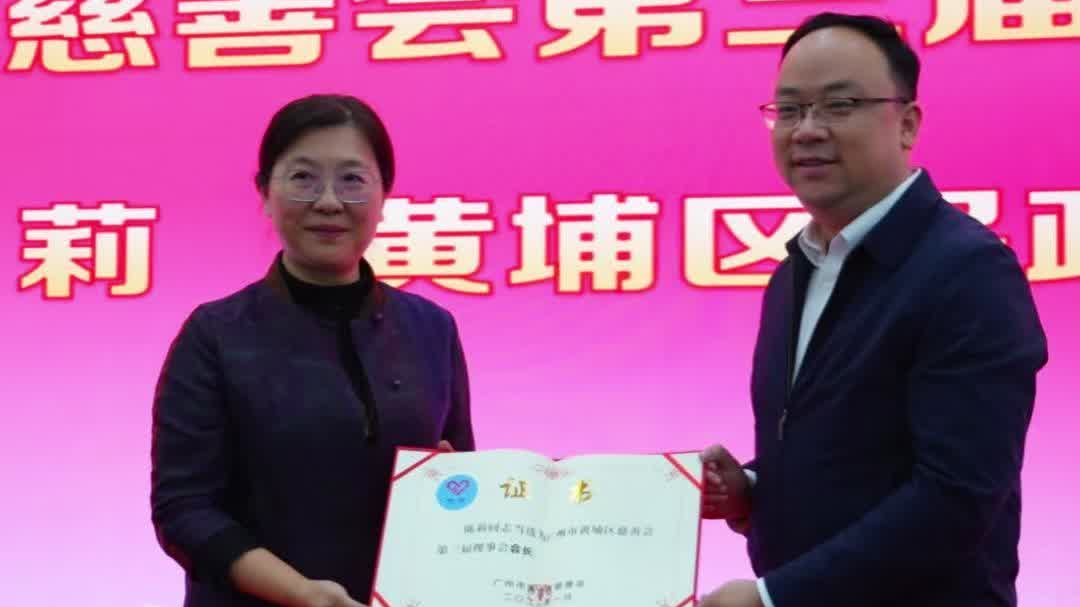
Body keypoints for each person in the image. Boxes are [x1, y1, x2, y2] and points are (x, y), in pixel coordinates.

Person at [698, 12, 1048, 607]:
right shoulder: (794, 272)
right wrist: (751, 489)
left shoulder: (967, 271)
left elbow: (957, 498)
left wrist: (772, 598)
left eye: (840, 105)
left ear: (907, 124)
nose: (807, 130)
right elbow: (849, 457)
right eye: (789, 109)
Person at [150, 94, 475, 607]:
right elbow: (184, 510)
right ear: (265, 192)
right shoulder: (214, 335)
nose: (328, 201)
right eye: (303, 178)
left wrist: (459, 487)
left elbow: (463, 479)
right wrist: (301, 594)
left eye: (352, 179)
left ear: (384, 196)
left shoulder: (432, 328)